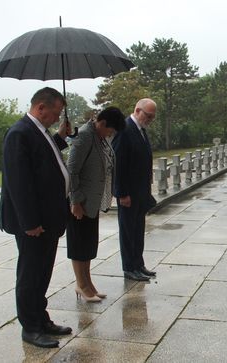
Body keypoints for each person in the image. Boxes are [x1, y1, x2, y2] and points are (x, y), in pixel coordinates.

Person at [0, 87, 72, 348]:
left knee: (42, 273)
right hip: (33, 223)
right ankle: (30, 327)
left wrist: (61, 136)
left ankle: (41, 318)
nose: (57, 117)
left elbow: (45, 159)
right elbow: (19, 182)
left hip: (49, 219)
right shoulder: (19, 133)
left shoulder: (40, 132)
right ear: (41, 107)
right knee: (30, 275)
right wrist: (29, 222)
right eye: (55, 112)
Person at [67, 107, 126, 302]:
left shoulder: (99, 137)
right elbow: (72, 170)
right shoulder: (84, 136)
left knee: (89, 244)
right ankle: (81, 285)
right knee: (79, 244)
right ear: (102, 123)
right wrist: (75, 201)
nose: (110, 134)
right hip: (80, 202)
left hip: (92, 201)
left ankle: (88, 283)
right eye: (110, 131)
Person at [112, 98, 158, 281]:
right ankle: (129, 267)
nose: (150, 119)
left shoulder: (141, 130)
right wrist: (122, 193)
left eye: (152, 117)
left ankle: (139, 264)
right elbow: (118, 164)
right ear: (137, 110)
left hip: (140, 191)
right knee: (128, 231)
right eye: (148, 115)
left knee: (138, 230)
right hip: (128, 193)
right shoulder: (124, 130)